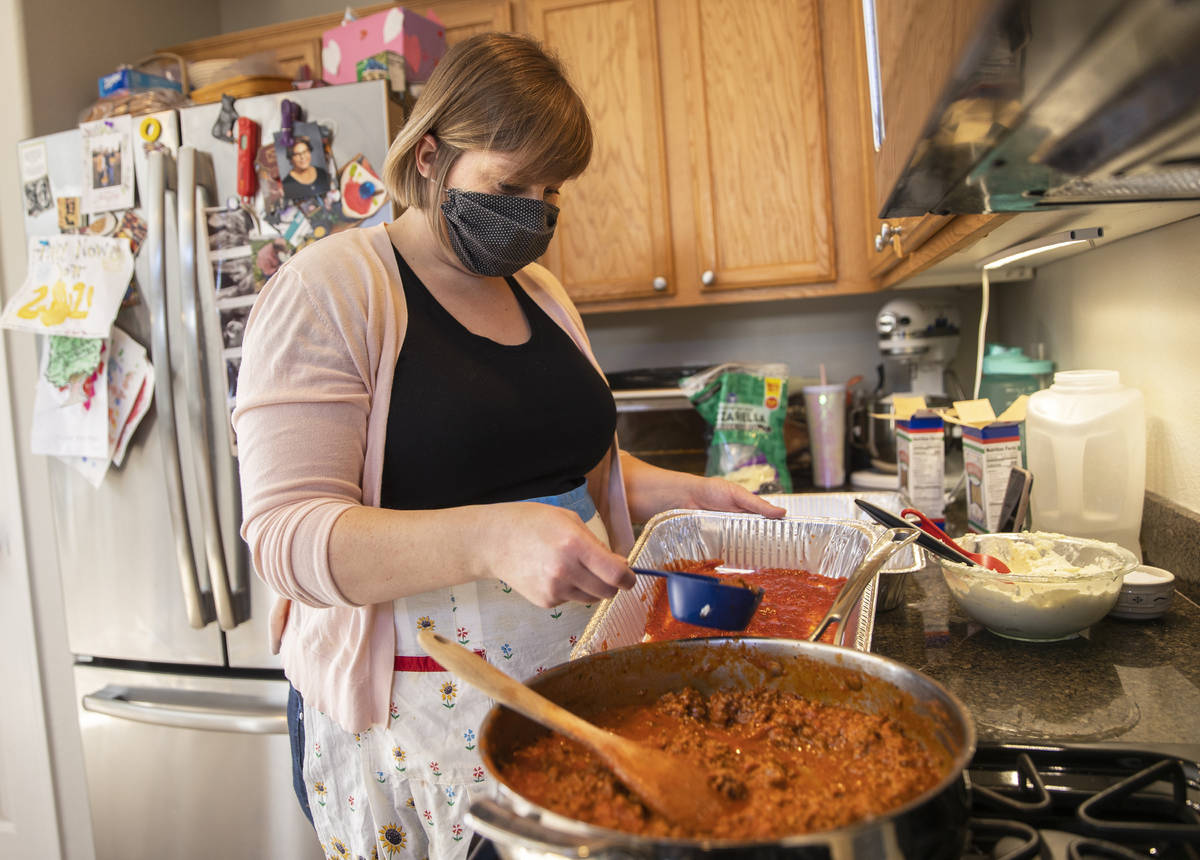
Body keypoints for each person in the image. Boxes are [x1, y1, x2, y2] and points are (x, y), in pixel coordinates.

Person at [232, 32, 784, 860]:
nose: (533, 209)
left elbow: (562, 470)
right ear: (429, 157)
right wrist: (495, 537)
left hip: (576, 693)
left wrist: (676, 492)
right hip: (418, 723)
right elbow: (285, 538)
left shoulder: (542, 292)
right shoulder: (331, 290)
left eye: (550, 189)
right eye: (508, 182)